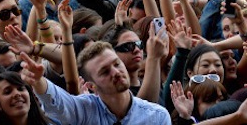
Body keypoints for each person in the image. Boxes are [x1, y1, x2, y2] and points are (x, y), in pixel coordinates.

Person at [21, 41, 171, 124]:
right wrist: (38, 80)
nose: (116, 72)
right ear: (92, 86)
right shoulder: (85, 110)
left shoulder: (157, 117)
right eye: (105, 72)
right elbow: (58, 103)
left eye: (117, 64)